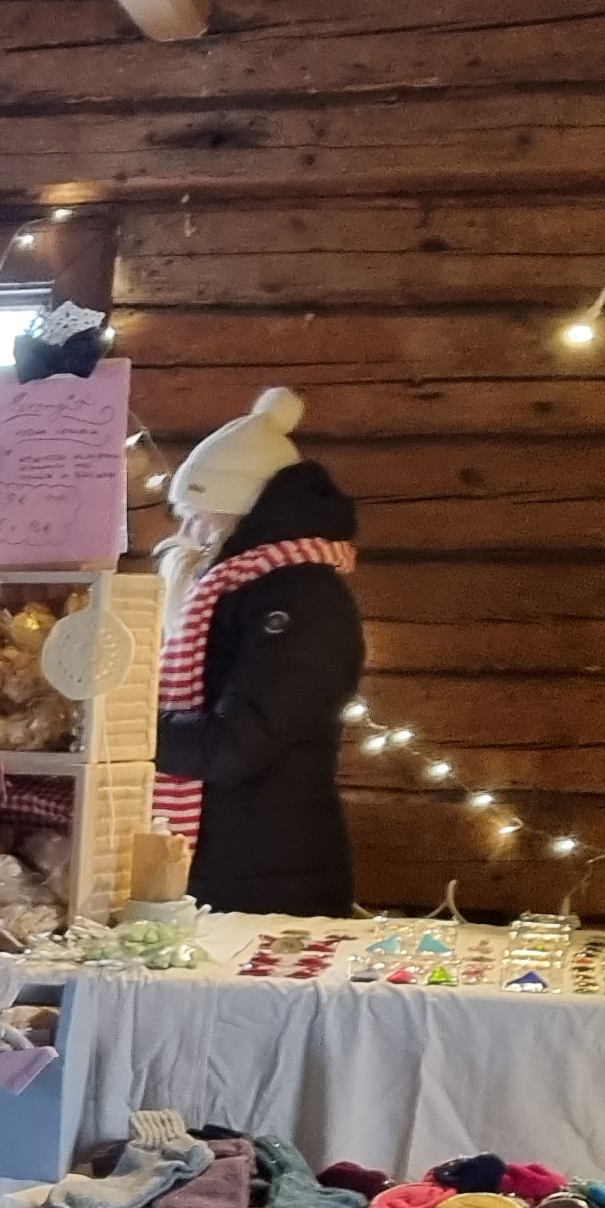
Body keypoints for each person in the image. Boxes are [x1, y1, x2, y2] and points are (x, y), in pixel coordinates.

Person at [149, 386, 363, 916]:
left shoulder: (302, 601)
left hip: (269, 877)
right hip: (236, 862)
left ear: (241, 512)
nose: (189, 533)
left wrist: (125, 730)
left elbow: (235, 746)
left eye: (201, 515)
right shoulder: (238, 592)